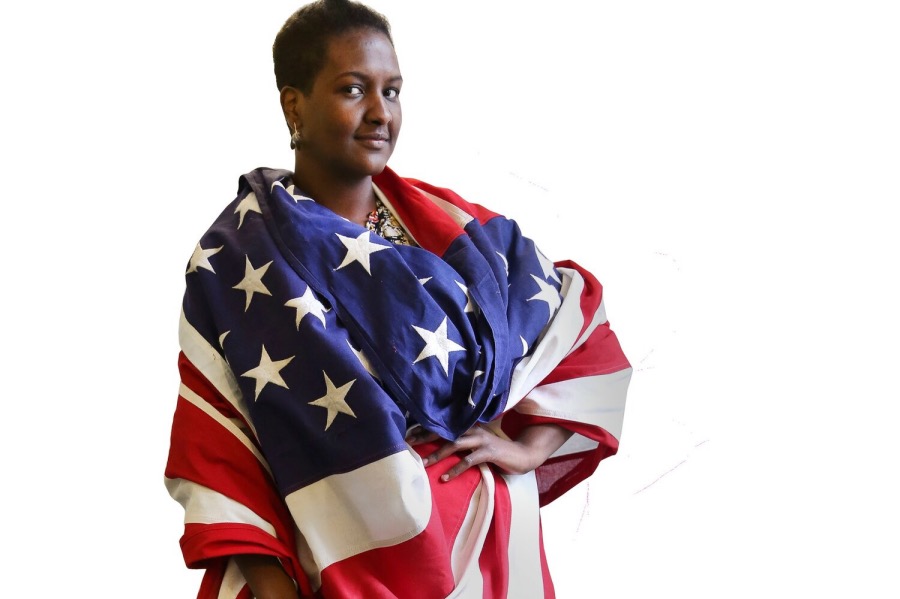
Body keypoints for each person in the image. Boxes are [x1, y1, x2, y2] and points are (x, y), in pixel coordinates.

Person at [164, 1, 631, 597]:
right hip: (337, 563)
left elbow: (576, 318)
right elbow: (218, 447)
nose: (380, 113)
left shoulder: (452, 228)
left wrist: (528, 448)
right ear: (294, 104)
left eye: (393, 91)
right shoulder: (238, 259)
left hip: (488, 552)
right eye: (354, 90)